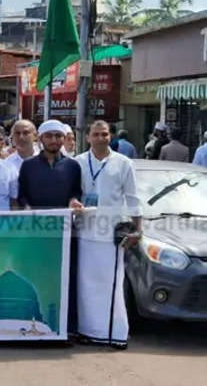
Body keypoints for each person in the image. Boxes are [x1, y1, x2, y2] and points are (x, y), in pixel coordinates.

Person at [74, 120, 141, 348]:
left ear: (110, 136)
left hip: (110, 233)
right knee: (86, 286)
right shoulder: (79, 162)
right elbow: (73, 194)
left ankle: (115, 334)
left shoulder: (123, 163)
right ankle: (88, 332)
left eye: (104, 134)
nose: (100, 138)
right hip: (85, 231)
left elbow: (133, 199)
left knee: (111, 285)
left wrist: (137, 229)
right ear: (88, 137)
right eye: (96, 134)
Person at [18, 119, 83, 210]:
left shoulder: (72, 165)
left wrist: (74, 201)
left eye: (58, 136)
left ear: (63, 138)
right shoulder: (28, 165)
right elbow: (22, 195)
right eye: (48, 136)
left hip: (64, 221)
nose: (53, 140)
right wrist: (26, 207)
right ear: (40, 139)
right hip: (35, 220)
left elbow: (76, 192)